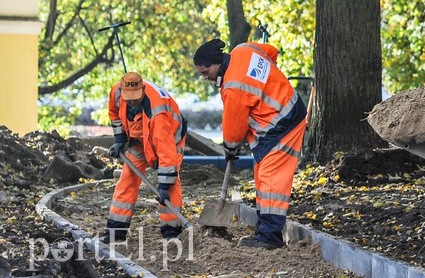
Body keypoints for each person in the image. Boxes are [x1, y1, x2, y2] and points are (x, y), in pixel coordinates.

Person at [193, 38, 307, 249]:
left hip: (280, 123)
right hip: (285, 111)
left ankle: (270, 238)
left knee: (271, 177)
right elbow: (271, 52)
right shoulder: (244, 49)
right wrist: (270, 84)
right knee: (261, 174)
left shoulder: (233, 88)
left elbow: (234, 129)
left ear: (216, 64)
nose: (205, 77)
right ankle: (265, 229)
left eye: (205, 72)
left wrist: (230, 148)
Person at [100, 71, 187, 243]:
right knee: (127, 180)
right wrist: (120, 139)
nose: (132, 102)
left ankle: (171, 232)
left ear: (143, 90)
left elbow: (166, 152)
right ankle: (116, 231)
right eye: (128, 98)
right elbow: (114, 114)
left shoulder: (158, 113)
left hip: (169, 140)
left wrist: (163, 186)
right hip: (138, 141)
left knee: (171, 185)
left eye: (135, 98)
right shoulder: (116, 93)